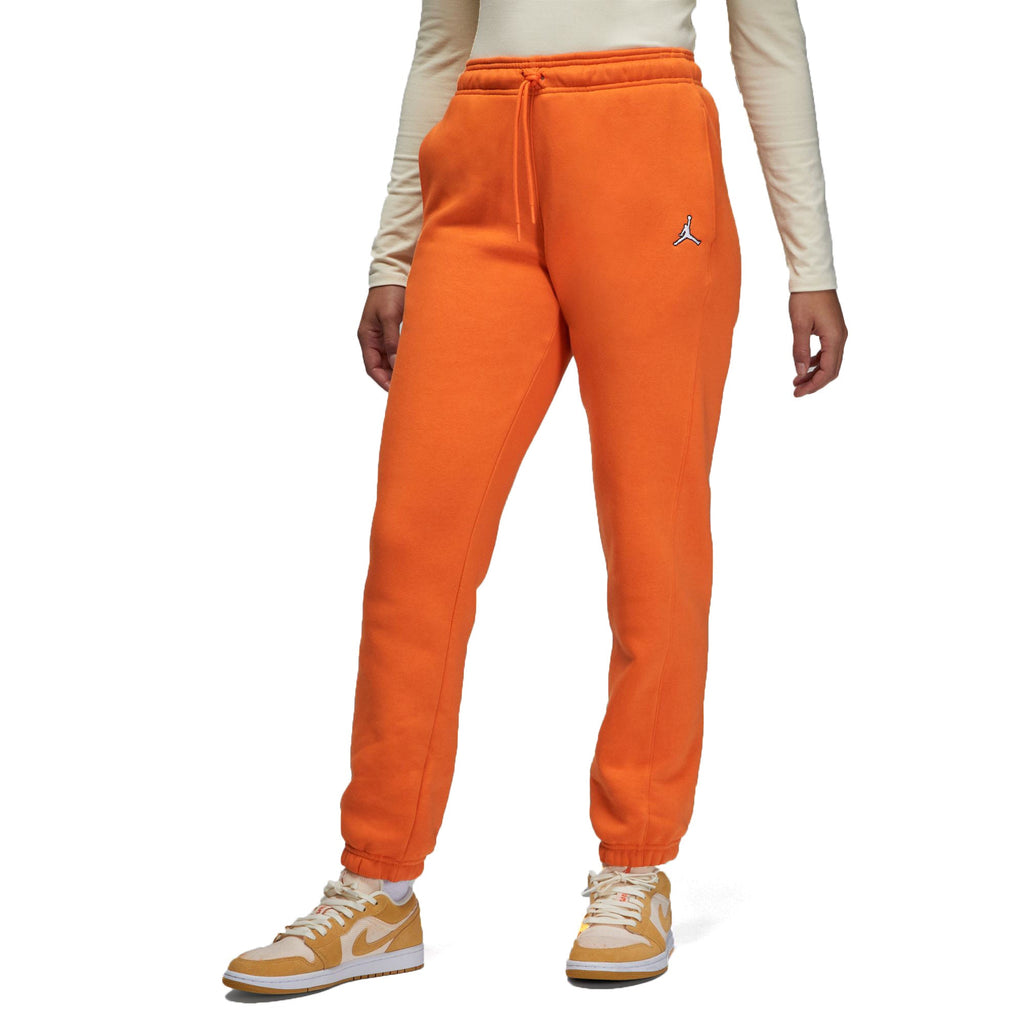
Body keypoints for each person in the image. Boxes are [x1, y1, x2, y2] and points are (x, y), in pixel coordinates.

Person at [223, 0, 848, 994]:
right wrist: (393, 251)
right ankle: (377, 887)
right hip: (478, 165)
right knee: (415, 542)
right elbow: (443, 41)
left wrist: (810, 263)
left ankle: (635, 864)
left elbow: (768, 42)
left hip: (647, 160)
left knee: (653, 533)